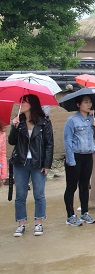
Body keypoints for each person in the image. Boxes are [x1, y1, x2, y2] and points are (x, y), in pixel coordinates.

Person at [8, 95, 54, 237]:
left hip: (37, 163)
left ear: (32, 104)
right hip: (20, 163)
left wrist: (47, 164)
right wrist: (14, 127)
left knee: (39, 194)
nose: (20, 104)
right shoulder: (19, 121)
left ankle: (38, 222)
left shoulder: (44, 122)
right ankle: (21, 224)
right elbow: (11, 141)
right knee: (20, 195)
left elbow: (49, 145)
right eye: (20, 101)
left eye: (24, 102)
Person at [63, 94, 95, 226]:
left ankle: (84, 212)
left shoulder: (92, 120)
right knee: (71, 187)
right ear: (78, 105)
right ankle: (70, 215)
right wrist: (71, 160)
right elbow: (67, 140)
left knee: (85, 186)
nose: (89, 104)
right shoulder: (72, 120)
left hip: (87, 156)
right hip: (75, 156)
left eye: (90, 102)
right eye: (85, 102)